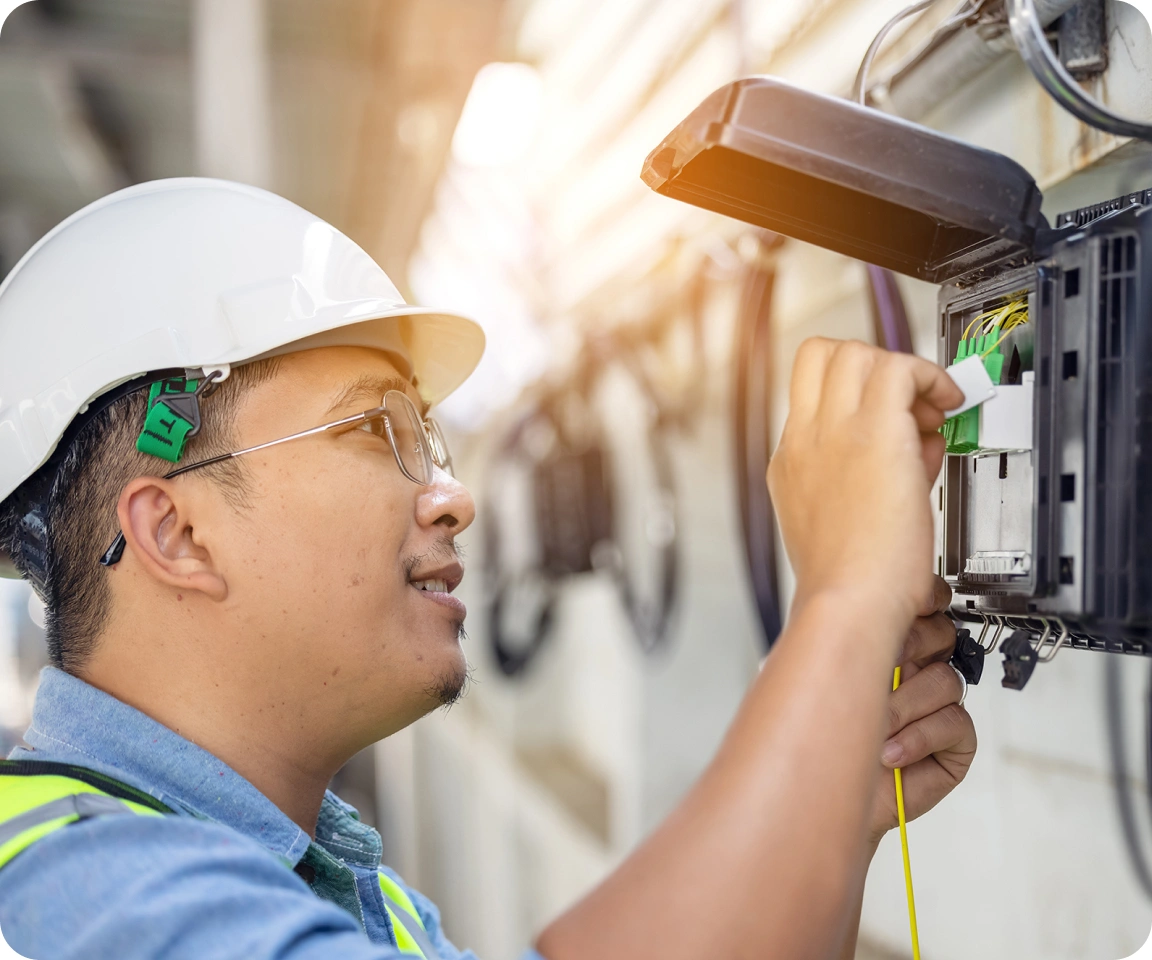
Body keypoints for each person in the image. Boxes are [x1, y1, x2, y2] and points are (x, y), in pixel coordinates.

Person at [0, 179, 974, 960]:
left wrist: (832, 783)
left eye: (427, 437)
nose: (451, 496)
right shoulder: (82, 896)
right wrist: (844, 606)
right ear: (178, 535)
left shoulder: (340, 890)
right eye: (378, 429)